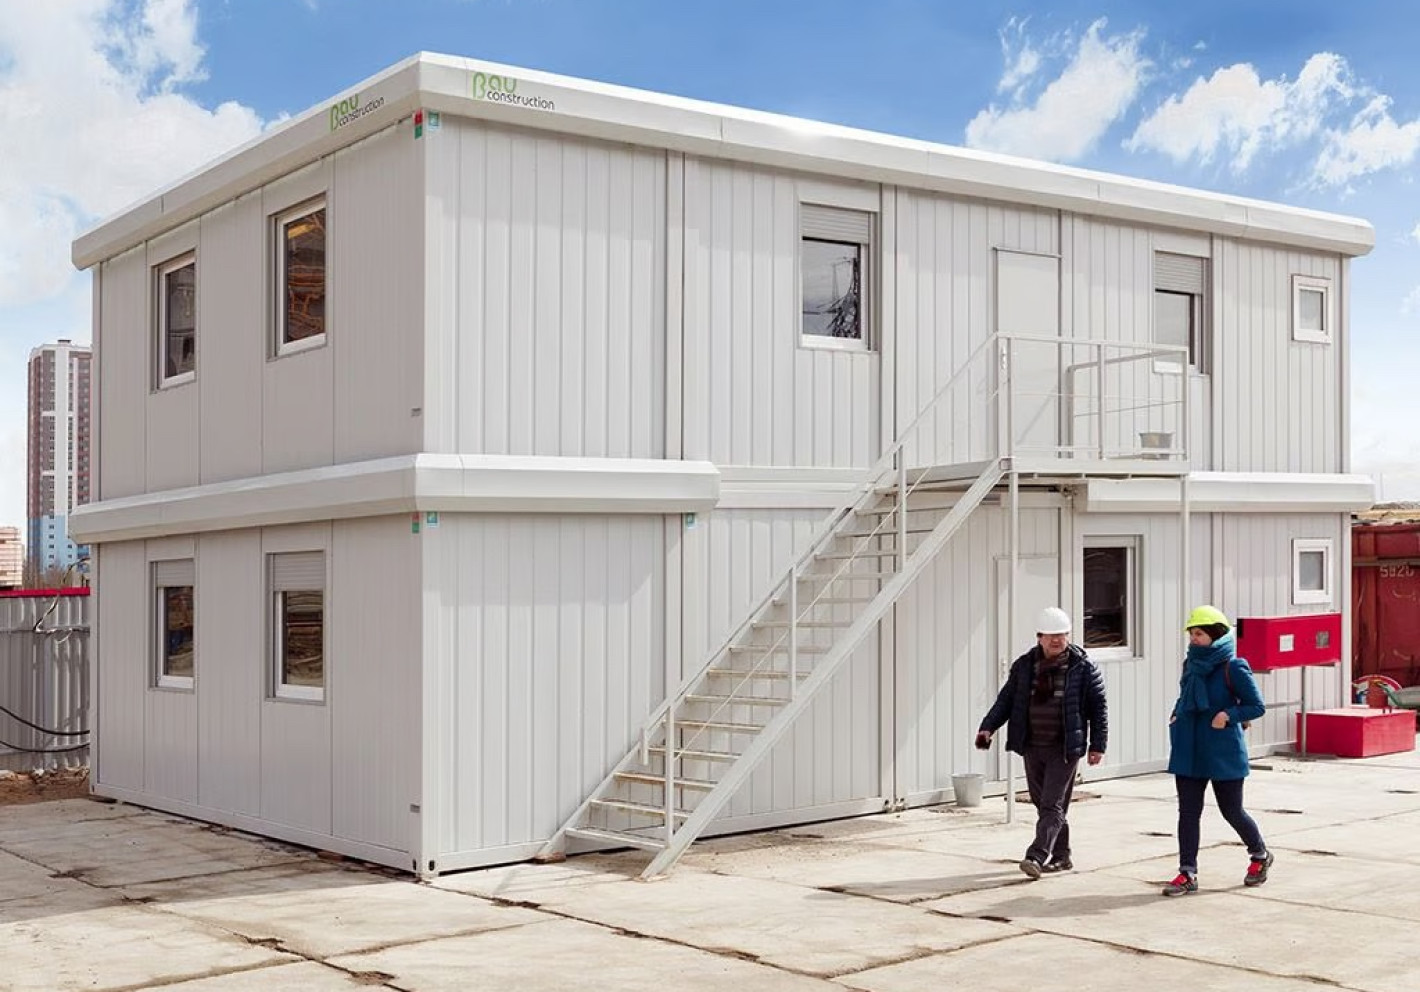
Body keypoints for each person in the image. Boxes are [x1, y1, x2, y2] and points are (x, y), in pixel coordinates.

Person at [975, 606, 1108, 879]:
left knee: (1051, 804)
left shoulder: (1083, 668)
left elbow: (1098, 708)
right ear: (1039, 637)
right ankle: (1062, 856)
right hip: (1033, 746)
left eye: (1062, 635)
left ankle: (1035, 856)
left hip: (1064, 748)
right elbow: (1006, 700)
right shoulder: (1025, 666)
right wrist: (987, 727)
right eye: (1050, 635)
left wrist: (1098, 745)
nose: (1057, 640)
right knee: (1045, 805)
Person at [1162, 605, 1271, 897]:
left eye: (1199, 634)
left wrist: (1228, 715)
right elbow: (1185, 695)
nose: (1193, 639)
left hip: (1223, 751)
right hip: (1189, 748)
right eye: (1191, 634)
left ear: (1216, 634)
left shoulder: (1233, 666)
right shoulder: (1190, 663)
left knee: (1231, 811)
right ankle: (1187, 872)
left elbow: (1256, 706)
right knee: (1188, 813)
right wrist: (1176, 713)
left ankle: (1259, 854)